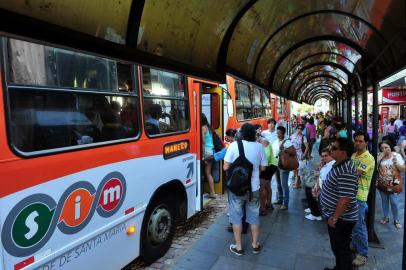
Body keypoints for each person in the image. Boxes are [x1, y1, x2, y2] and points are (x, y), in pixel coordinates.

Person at [224, 123, 267, 256]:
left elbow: (225, 167)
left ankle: (239, 247)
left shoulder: (234, 145)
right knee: (254, 217)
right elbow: (263, 168)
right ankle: (255, 245)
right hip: (253, 188)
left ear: (241, 134)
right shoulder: (259, 147)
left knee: (236, 217)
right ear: (254, 134)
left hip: (237, 189)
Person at [320, 138, 358, 270]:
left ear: (344, 152)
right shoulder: (339, 164)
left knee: (341, 249)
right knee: (338, 247)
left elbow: (345, 199)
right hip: (338, 218)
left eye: (334, 148)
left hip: (341, 219)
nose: (331, 150)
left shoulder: (346, 169)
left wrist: (334, 218)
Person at [350, 131, 375, 267]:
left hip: (359, 196)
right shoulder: (354, 155)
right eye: (356, 141)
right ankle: (355, 245)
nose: (358, 143)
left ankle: (363, 254)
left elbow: (356, 173)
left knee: (359, 225)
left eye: (360, 141)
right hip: (351, 194)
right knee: (354, 223)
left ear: (366, 143)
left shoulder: (368, 158)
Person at [377, 140, 405, 229]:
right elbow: (373, 164)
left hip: (394, 184)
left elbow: (404, 169)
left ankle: (396, 220)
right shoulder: (379, 156)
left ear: (390, 147)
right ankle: (385, 217)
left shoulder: (396, 156)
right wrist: (381, 155)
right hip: (382, 183)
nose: (384, 149)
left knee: (394, 203)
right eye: (382, 148)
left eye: (386, 147)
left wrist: (397, 164)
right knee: (384, 201)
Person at [306, 147, 335, 220]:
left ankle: (315, 213)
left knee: (309, 188)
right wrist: (321, 164)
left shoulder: (332, 164)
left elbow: (322, 175)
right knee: (308, 186)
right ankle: (313, 209)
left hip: (326, 189)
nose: (324, 157)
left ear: (331, 155)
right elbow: (320, 171)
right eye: (322, 156)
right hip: (321, 185)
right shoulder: (327, 163)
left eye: (326, 156)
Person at [272, 126, 295, 210]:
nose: (278, 134)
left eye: (280, 133)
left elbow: (293, 152)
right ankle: (280, 199)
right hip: (276, 164)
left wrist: (285, 150)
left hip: (284, 165)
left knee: (284, 184)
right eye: (277, 133)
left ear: (283, 133)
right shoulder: (275, 142)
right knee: (278, 183)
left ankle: (285, 203)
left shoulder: (287, 142)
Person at [259, 137, 278, 215]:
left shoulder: (263, 141)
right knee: (267, 186)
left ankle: (263, 208)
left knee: (262, 187)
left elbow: (267, 156)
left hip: (269, 166)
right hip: (272, 165)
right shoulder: (261, 141)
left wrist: (260, 167)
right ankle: (269, 204)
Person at [201, 114, 216, 198]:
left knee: (206, 172)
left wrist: (203, 156)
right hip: (211, 150)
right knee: (208, 172)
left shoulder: (203, 128)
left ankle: (211, 192)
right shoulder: (208, 127)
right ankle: (212, 192)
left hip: (206, 151)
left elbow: (203, 142)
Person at [290, 124, 308, 188]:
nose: (299, 130)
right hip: (293, 154)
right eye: (298, 128)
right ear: (296, 128)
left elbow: (307, 147)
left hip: (300, 154)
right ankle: (298, 181)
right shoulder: (292, 136)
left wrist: (304, 155)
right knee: (294, 169)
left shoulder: (303, 137)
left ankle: (296, 183)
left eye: (301, 129)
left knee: (298, 169)